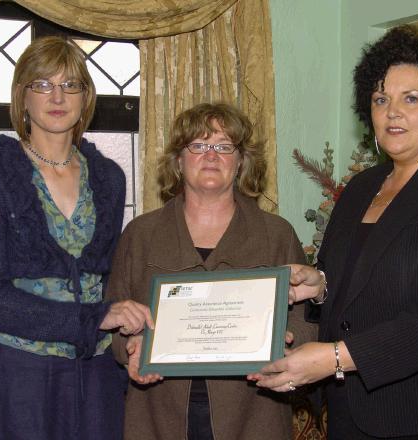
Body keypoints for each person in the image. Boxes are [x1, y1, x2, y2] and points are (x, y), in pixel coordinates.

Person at [249, 25, 418, 439]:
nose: (392, 112)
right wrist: (318, 284)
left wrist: (335, 358)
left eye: (411, 98)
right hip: (354, 406)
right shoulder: (361, 188)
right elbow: (355, 279)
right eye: (381, 99)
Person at [0, 36, 152, 440]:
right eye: (42, 84)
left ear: (86, 98)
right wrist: (95, 316)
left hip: (97, 375)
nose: (58, 96)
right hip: (19, 377)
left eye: (71, 85)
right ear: (22, 96)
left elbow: (109, 281)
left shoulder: (110, 178)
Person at [105, 102, 317, 440]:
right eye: (199, 145)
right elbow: (114, 313)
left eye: (223, 146)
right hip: (158, 411)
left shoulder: (276, 233)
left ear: (241, 161)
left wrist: (289, 345)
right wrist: (130, 346)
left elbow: (305, 319)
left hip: (253, 412)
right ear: (178, 159)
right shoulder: (140, 234)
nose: (211, 155)